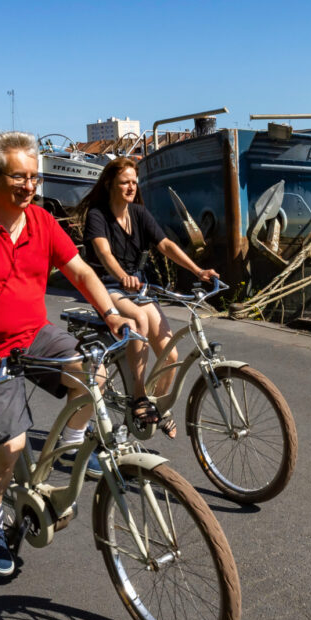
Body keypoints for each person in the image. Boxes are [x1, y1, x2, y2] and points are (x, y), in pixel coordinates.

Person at [0, 131, 134, 577]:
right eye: (18, 177)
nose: (29, 186)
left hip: (34, 335)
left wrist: (110, 313)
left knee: (93, 373)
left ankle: (68, 447)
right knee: (11, 445)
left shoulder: (41, 221)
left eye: (34, 177)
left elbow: (79, 271)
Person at [76, 157, 219, 439]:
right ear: (110, 184)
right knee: (139, 319)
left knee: (171, 355)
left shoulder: (139, 213)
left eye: (134, 182)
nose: (131, 187)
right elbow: (104, 254)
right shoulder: (97, 215)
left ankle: (160, 407)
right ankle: (139, 396)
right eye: (124, 182)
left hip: (136, 289)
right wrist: (122, 276)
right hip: (108, 286)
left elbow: (165, 244)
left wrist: (197, 270)